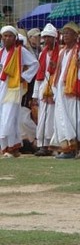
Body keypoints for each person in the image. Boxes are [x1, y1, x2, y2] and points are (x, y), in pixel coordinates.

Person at [51, 22, 80, 159]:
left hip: (75, 91)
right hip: (62, 90)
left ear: (75, 36)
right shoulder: (62, 52)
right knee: (62, 118)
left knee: (78, 119)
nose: (65, 35)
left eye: (68, 33)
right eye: (64, 33)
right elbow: (59, 72)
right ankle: (68, 148)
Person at [0, 26, 39, 157]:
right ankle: (8, 148)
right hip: (2, 88)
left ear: (15, 38)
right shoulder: (1, 52)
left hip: (13, 88)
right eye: (5, 36)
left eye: (10, 36)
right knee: (6, 118)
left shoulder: (20, 51)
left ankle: (11, 148)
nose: (7, 38)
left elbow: (35, 64)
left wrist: (24, 76)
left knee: (8, 118)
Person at [32, 24, 59, 156]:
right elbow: (39, 75)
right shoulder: (43, 53)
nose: (47, 40)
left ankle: (53, 145)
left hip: (55, 86)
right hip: (44, 87)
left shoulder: (60, 52)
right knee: (43, 117)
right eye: (45, 37)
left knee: (53, 118)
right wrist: (35, 95)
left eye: (49, 37)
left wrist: (56, 66)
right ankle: (43, 145)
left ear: (55, 38)